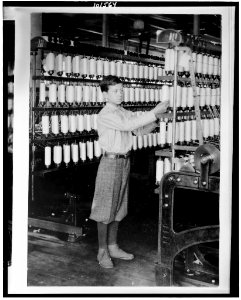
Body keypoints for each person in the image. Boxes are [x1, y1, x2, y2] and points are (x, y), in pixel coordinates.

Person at [89, 75, 168, 269]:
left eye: (122, 89)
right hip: (110, 162)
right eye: (116, 90)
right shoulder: (106, 114)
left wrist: (156, 119)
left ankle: (113, 246)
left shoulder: (122, 111)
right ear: (105, 94)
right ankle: (102, 251)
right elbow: (127, 126)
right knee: (105, 208)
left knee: (118, 207)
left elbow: (138, 131)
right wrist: (154, 111)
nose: (120, 93)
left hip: (124, 162)